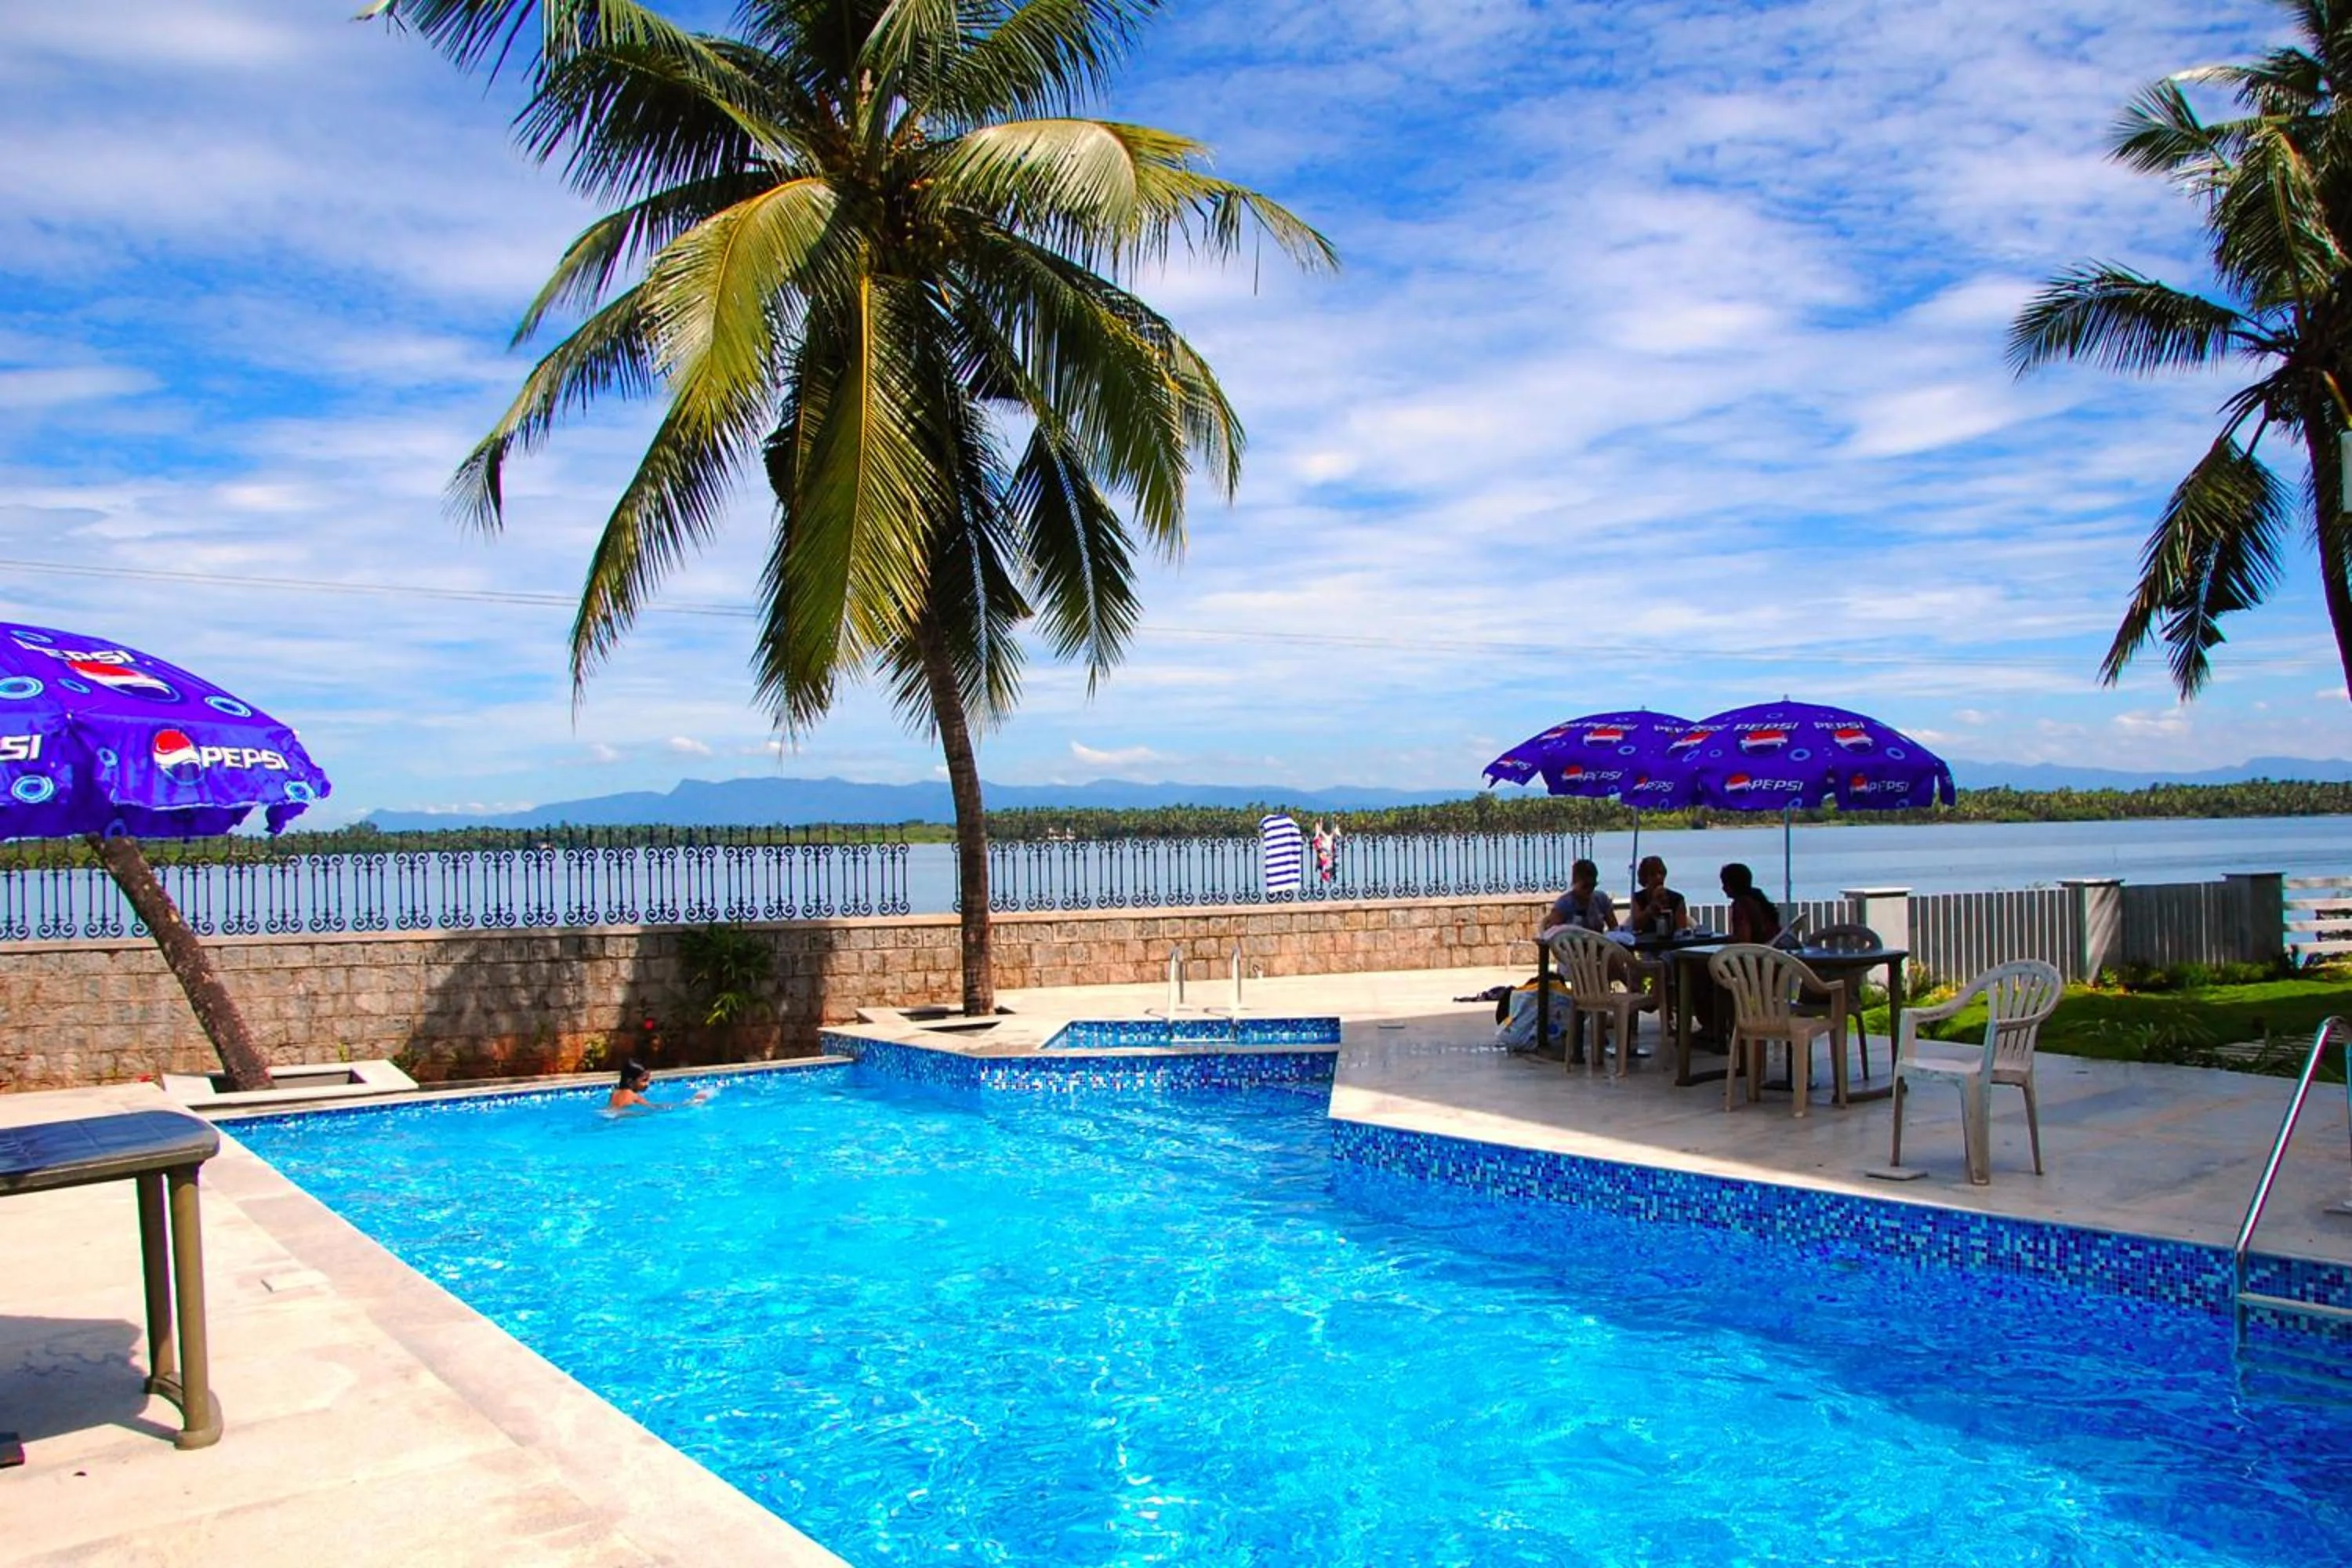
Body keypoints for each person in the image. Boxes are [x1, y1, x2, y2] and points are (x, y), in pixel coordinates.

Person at [1541, 858, 1617, 935]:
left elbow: (1615, 929)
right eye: (1585, 886)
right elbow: (1550, 934)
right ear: (1575, 882)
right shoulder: (1564, 904)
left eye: (1593, 885)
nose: (1589, 890)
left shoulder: (1601, 900)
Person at [606, 1059, 711, 1112]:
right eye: (644, 1080)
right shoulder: (634, 1096)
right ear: (630, 1082)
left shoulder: (614, 1093)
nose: (648, 1084)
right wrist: (688, 1104)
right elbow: (654, 1107)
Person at [1721, 862, 1783, 946]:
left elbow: (1744, 941)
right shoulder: (1758, 899)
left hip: (1758, 952)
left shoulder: (1742, 904)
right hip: (1774, 949)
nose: (1723, 888)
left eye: (1725, 883)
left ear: (1733, 884)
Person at [1628, 855, 1690, 937]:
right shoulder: (1637, 898)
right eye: (1653, 874)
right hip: (1645, 944)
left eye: (1661, 873)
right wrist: (1650, 909)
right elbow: (1635, 926)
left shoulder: (1677, 899)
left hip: (1671, 944)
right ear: (1645, 878)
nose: (1658, 877)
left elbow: (1681, 931)